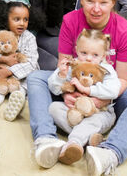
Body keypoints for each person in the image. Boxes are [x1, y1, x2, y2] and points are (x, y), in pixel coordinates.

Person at [28, 0, 127, 175]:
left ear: (113, 3)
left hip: (111, 93)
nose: (96, 8)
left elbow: (123, 80)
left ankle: (110, 152)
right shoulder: (70, 20)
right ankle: (46, 140)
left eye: (103, 2)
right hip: (75, 85)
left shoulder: (124, 30)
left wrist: (101, 100)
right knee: (35, 77)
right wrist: (67, 94)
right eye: (89, 1)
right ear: (81, 0)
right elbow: (63, 65)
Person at [47, 29, 121, 166]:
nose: (88, 58)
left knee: (93, 121)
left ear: (103, 55)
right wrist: (61, 76)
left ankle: (73, 143)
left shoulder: (106, 70)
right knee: (53, 108)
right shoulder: (73, 65)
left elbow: (113, 91)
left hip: (100, 112)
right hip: (74, 110)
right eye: (84, 53)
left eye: (95, 55)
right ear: (76, 50)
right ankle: (90, 140)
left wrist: (86, 89)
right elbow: (53, 86)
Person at [0, 0, 39, 121]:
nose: (22, 23)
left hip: (23, 74)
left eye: (25, 19)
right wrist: (3, 59)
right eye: (17, 19)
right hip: (1, 74)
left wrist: (10, 71)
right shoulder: (1, 34)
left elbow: (32, 62)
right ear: (6, 19)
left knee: (21, 88)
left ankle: (17, 102)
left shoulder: (29, 37)